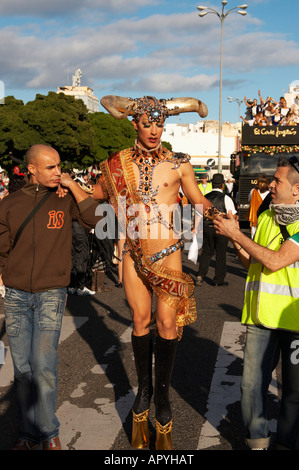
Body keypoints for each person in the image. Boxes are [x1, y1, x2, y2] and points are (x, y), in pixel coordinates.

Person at [93, 95, 213, 450]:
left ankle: (163, 399)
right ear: (135, 125)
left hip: (168, 254)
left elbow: (198, 201)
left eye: (160, 124)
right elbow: (100, 198)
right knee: (140, 320)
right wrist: (69, 188)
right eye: (148, 124)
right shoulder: (117, 163)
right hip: (133, 255)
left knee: (167, 325)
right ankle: (143, 392)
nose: (155, 131)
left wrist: (220, 217)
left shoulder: (180, 164)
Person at [0, 144, 101, 450]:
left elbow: (96, 218)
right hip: (16, 295)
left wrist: (71, 184)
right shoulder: (10, 204)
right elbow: (2, 248)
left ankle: (48, 433)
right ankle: (27, 434)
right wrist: (6, 278)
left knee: (44, 364)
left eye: (59, 166)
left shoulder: (66, 197)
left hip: (51, 294)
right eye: (51, 168)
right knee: (23, 368)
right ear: (32, 169)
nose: (58, 172)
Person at [213, 155, 299, 450]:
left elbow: (275, 261)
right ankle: (258, 442)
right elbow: (252, 260)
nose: (270, 185)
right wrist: (234, 237)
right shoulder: (265, 216)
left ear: (296, 189)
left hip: (295, 322)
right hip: (261, 317)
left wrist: (238, 234)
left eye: (277, 181)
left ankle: (287, 443)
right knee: (251, 387)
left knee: (294, 391)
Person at [196, 173, 236, 286]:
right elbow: (231, 214)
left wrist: (196, 227)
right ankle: (218, 279)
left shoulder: (205, 197)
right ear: (222, 185)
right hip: (221, 228)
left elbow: (199, 213)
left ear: (212, 184)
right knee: (221, 254)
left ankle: (200, 275)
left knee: (206, 252)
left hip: (207, 227)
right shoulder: (226, 198)